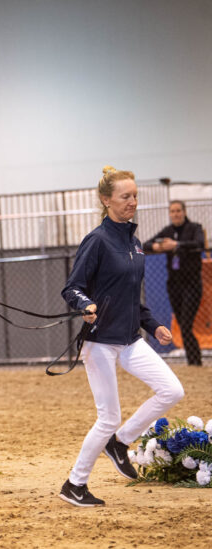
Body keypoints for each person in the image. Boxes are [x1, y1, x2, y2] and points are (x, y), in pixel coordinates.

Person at [58, 166, 184, 507]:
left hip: (130, 339)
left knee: (172, 389)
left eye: (135, 196)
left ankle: (120, 442)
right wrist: (85, 304)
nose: (132, 202)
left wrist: (152, 324)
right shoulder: (97, 241)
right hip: (99, 341)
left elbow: (131, 296)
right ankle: (75, 484)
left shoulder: (135, 243)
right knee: (108, 417)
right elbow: (72, 288)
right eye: (125, 196)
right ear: (106, 200)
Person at [143, 200, 205, 366]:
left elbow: (199, 244)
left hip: (192, 284)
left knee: (185, 324)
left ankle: (195, 362)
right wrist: (157, 246)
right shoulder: (167, 231)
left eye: (178, 210)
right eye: (172, 211)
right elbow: (146, 245)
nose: (175, 214)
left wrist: (176, 245)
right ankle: (193, 361)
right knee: (182, 323)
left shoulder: (194, 228)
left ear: (184, 212)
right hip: (174, 285)